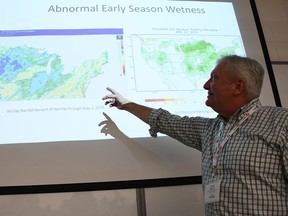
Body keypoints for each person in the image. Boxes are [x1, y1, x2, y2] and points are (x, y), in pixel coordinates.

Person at [102, 55, 288, 215]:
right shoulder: (211, 129)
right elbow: (165, 120)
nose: (206, 85)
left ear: (238, 86)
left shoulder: (281, 123)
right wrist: (126, 104)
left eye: (214, 78)